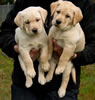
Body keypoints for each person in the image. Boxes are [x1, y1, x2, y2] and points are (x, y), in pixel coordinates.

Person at [0, 0, 95, 100]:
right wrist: (16, 48)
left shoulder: (85, 4)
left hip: (62, 90)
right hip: (25, 85)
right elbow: (5, 33)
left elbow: (93, 48)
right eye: (57, 12)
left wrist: (74, 55)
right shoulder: (24, 2)